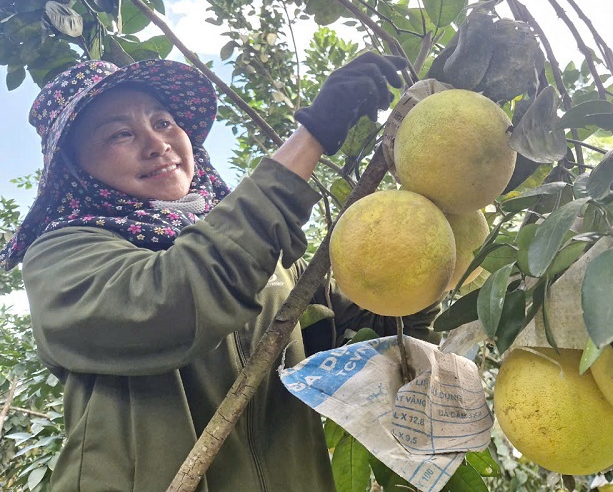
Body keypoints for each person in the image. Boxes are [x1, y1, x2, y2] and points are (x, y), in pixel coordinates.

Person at [0, 54, 440, 491]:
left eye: (164, 122)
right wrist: (310, 139)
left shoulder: (268, 257)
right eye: (120, 134)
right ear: (76, 171)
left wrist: (437, 194)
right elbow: (174, 298)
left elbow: (381, 326)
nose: (157, 143)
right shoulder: (61, 256)